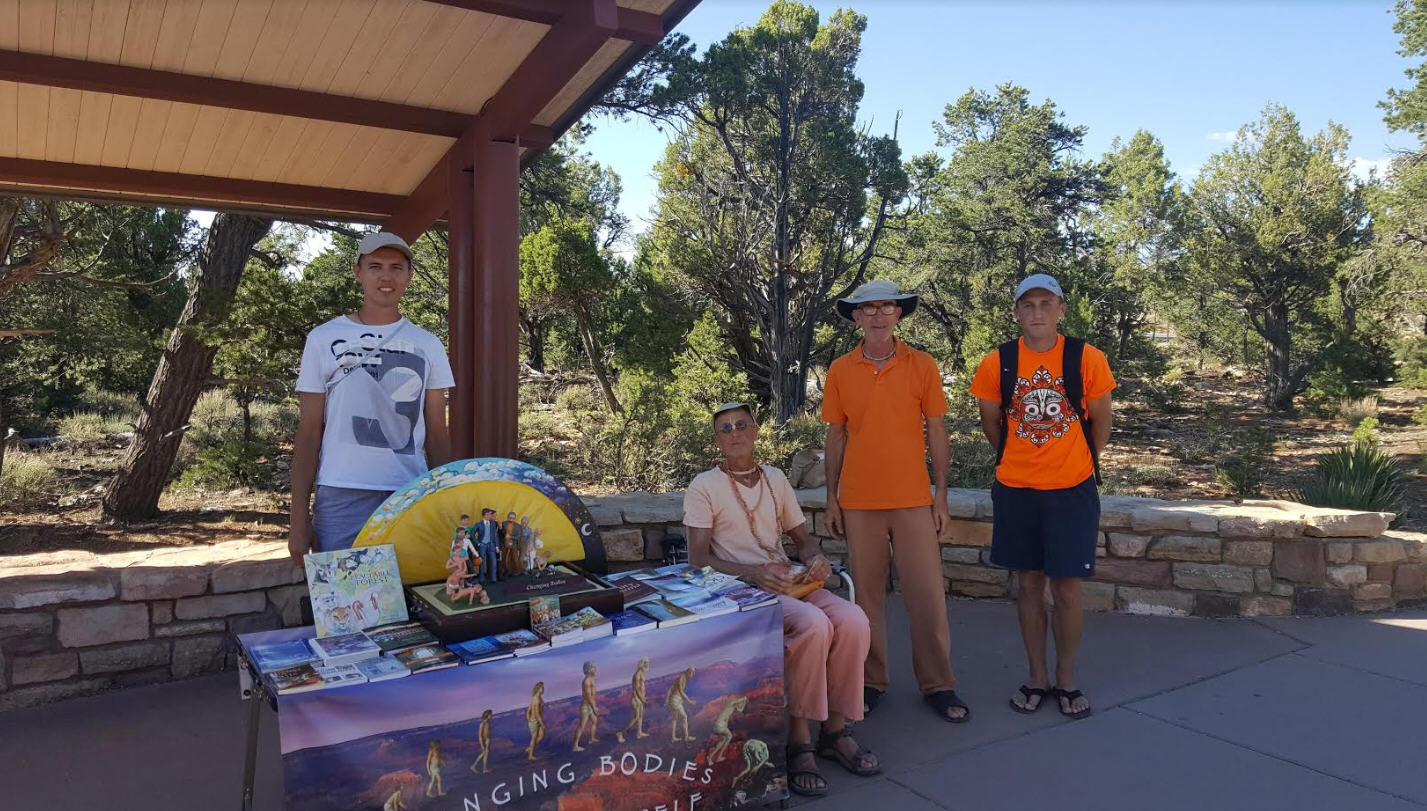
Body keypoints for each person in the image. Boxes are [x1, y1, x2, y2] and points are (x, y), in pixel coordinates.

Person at [685, 403, 878, 798]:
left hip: (789, 582)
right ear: (717, 440)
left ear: (756, 431)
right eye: (725, 428)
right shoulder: (703, 485)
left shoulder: (775, 478)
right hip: (744, 590)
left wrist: (816, 559)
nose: (735, 433)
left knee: (854, 619)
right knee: (813, 624)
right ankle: (800, 739)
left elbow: (802, 542)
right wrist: (752, 573)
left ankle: (836, 729)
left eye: (742, 424)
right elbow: (698, 559)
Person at [970, 274, 1114, 720]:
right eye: (1028, 304)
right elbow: (991, 423)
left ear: (1061, 309)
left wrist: (1075, 462)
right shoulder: (998, 362)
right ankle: (1036, 677)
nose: (1037, 312)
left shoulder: (1086, 358)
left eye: (1046, 303)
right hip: (1017, 490)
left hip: (1071, 490)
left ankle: (1066, 680)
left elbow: (1102, 423)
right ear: (1016, 312)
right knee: (1029, 586)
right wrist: (1021, 458)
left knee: (1067, 589)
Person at [821, 280, 965, 723]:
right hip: (859, 502)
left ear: (899, 313)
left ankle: (939, 684)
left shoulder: (922, 365)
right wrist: (831, 499)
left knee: (926, 596)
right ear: (856, 317)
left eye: (887, 307)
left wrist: (941, 495)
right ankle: (870, 682)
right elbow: (836, 434)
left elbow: (936, 430)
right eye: (869, 308)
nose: (878, 315)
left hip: (912, 499)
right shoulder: (840, 370)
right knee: (865, 601)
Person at [289, 231, 453, 564]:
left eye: (396, 268)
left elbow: (437, 433)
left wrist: (448, 504)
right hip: (341, 493)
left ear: (409, 275)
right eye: (375, 266)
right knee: (344, 593)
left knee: (412, 593)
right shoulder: (323, 338)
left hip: (410, 492)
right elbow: (308, 432)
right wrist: (298, 519)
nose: (386, 277)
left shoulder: (429, 344)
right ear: (358, 272)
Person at [616, 657, 650, 743]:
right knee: (636, 717)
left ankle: (639, 732)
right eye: (646, 663)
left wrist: (643, 697)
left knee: (640, 716)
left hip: (640, 698)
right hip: (636, 699)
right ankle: (620, 733)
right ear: (642, 664)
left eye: (647, 663)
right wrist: (642, 699)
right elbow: (636, 689)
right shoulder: (637, 674)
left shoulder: (641, 673)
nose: (647, 665)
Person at [572, 661, 601, 751]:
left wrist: (594, 705)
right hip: (586, 706)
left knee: (594, 721)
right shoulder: (586, 681)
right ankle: (575, 746)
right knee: (582, 726)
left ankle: (592, 739)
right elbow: (588, 696)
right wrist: (594, 707)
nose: (595, 669)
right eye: (593, 668)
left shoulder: (592, 679)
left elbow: (592, 695)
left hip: (591, 705)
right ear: (589, 669)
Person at [665, 668, 697, 743]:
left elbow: (671, 688)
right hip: (675, 701)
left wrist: (667, 699)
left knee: (674, 719)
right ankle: (686, 737)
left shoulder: (682, 678)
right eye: (692, 673)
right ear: (689, 672)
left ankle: (673, 737)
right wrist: (690, 701)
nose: (693, 675)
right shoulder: (681, 678)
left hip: (675, 700)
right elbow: (681, 692)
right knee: (684, 717)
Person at [472, 508, 502, 583]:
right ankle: (482, 579)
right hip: (482, 545)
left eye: (490, 514)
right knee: (481, 562)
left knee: (494, 562)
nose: (489, 516)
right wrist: (478, 543)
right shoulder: (478, 524)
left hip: (491, 545)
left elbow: (495, 535)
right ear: (484, 515)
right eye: (488, 514)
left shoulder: (492, 524)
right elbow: (472, 534)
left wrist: (497, 546)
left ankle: (493, 578)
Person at [525, 681, 546, 760]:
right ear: (538, 689)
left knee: (541, 736)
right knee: (534, 738)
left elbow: (528, 711)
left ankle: (530, 748)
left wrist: (528, 718)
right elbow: (537, 714)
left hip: (535, 720)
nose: (543, 689)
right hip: (535, 721)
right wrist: (542, 724)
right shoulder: (536, 700)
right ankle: (530, 756)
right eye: (542, 688)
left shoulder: (536, 698)